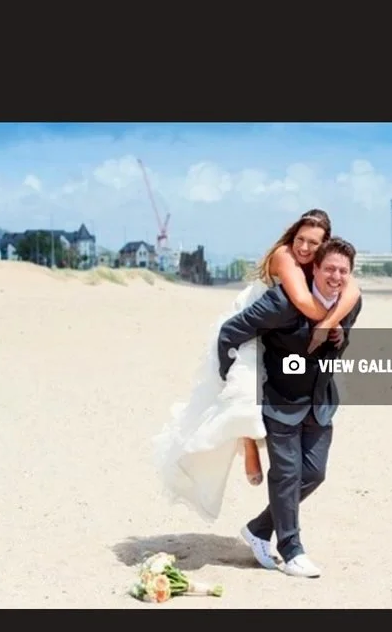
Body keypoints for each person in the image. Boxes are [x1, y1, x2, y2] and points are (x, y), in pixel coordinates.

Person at [150, 209, 362, 525]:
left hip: (276, 333)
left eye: (313, 243)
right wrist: (330, 319)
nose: (304, 248)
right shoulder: (285, 256)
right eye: (300, 239)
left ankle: (261, 524)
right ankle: (249, 446)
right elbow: (306, 305)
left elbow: (353, 290)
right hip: (252, 327)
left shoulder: (325, 264)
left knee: (301, 460)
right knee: (243, 392)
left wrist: (335, 322)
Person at [216, 236, 361, 578]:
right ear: (315, 269)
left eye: (343, 271)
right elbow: (230, 332)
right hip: (279, 401)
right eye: (329, 269)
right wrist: (232, 381)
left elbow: (334, 349)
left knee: (313, 473)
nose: (336, 277)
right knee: (286, 475)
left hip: (320, 402)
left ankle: (258, 529)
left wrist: (339, 334)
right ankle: (292, 549)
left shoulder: (351, 304)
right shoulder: (281, 303)